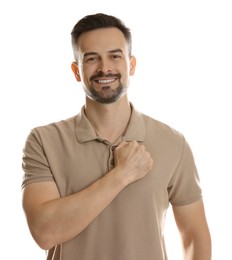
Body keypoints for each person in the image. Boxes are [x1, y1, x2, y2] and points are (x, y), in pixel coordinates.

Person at [21, 13, 211, 260]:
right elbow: (44, 232)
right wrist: (122, 174)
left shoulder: (173, 143)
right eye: (91, 59)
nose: (104, 68)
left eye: (115, 56)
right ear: (76, 71)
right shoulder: (43, 141)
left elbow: (195, 236)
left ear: (131, 65)